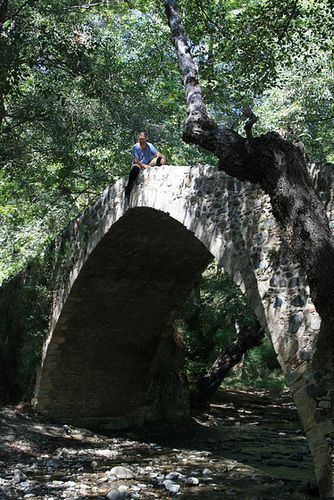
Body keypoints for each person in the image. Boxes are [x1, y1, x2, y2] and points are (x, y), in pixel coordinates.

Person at [125, 132, 166, 198]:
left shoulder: (149, 146)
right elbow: (136, 160)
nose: (142, 141)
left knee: (159, 159)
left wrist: (163, 157)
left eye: (143, 139)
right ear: (138, 139)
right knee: (135, 169)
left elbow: (157, 154)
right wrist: (145, 166)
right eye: (140, 139)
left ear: (146, 139)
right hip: (138, 164)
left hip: (148, 163)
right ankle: (128, 187)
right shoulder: (135, 147)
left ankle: (157, 178)